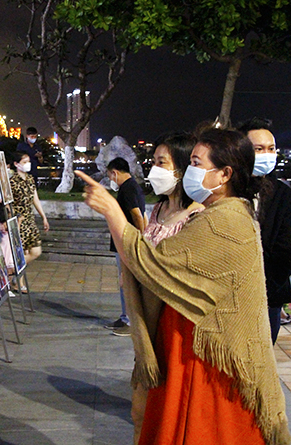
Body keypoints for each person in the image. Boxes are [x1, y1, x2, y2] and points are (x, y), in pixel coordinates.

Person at [76, 128, 290, 445]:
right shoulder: (216, 213)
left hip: (203, 356)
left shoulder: (224, 220)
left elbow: (153, 262)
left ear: (225, 174)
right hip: (183, 346)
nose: (190, 171)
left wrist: (111, 210)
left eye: (196, 163)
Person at [128, 132, 201, 443]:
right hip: (148, 321)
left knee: (166, 413)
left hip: (175, 328)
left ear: (182, 170)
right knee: (139, 411)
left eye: (161, 163)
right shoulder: (157, 210)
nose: (153, 169)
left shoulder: (197, 215)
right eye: (153, 161)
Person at [238, 118, 291, 344]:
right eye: (258, 149)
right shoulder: (226, 190)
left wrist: (262, 288)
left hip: (268, 297)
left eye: (271, 149)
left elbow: (287, 251)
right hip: (228, 298)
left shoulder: (284, 196)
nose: (267, 154)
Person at [105, 157, 145, 337]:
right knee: (124, 281)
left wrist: (140, 237)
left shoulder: (128, 189)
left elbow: (137, 215)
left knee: (126, 282)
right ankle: (124, 317)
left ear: (115, 173)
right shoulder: (132, 186)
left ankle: (129, 321)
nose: (111, 180)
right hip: (124, 240)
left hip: (126, 241)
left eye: (110, 176)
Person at [10, 152, 49, 267]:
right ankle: (18, 279)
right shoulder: (12, 181)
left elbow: (35, 199)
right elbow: (8, 204)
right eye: (25, 162)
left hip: (30, 220)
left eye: (29, 162)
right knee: (22, 252)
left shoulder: (30, 179)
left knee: (36, 251)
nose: (28, 164)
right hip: (19, 220)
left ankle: (14, 269)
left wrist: (43, 217)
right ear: (16, 164)